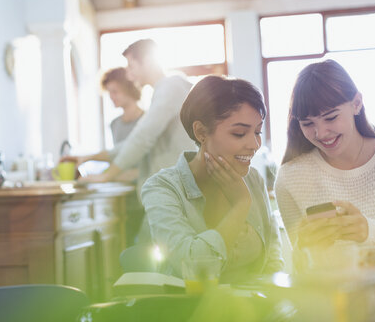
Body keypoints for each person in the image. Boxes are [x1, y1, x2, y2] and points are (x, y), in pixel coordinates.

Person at [141, 75, 284, 282]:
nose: (254, 144)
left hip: (255, 309)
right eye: (239, 133)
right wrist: (240, 205)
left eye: (257, 132)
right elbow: (192, 267)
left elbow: (273, 257)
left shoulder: (253, 179)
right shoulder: (163, 188)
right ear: (200, 132)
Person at [275, 59, 375, 266]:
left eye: (330, 118)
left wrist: (370, 234)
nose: (321, 133)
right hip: (328, 297)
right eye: (308, 123)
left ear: (356, 104)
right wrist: (305, 248)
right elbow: (303, 272)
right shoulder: (290, 178)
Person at [78, 39, 195, 193]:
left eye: (131, 66)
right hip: (170, 189)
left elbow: (143, 136)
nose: (130, 75)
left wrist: (107, 175)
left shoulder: (171, 87)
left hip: (175, 190)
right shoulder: (162, 91)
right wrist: (87, 158)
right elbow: (131, 142)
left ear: (148, 61)